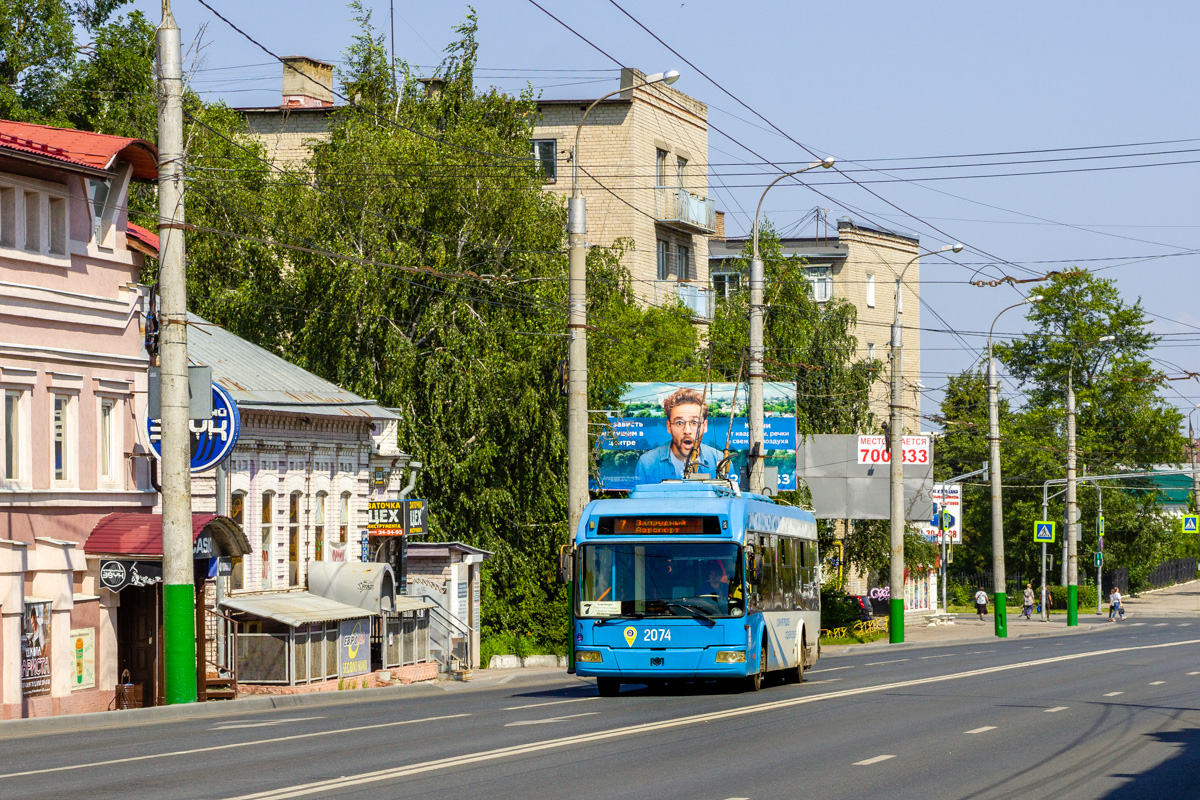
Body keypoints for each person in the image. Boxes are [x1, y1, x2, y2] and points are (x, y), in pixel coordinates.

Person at [634, 387, 722, 484]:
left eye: (694, 422)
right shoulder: (647, 463)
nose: (687, 431)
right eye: (679, 423)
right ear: (669, 427)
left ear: (705, 426)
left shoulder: (720, 461)